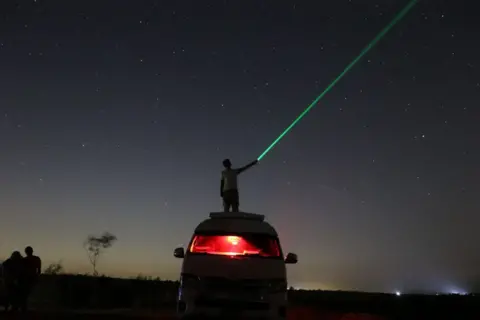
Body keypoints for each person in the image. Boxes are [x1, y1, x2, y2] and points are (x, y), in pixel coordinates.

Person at [21, 246, 41, 311]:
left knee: (26, 293)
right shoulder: (35, 259)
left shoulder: (25, 259)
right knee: (26, 293)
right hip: (28, 278)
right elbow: (39, 270)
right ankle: (24, 307)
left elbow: (38, 269)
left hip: (29, 278)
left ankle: (25, 307)